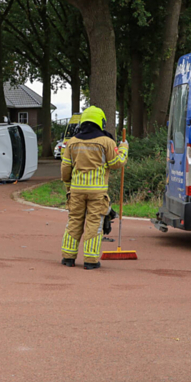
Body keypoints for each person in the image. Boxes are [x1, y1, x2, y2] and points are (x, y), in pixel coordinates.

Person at [59, 106, 128, 270]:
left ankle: (68, 257)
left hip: (76, 190)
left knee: (74, 221)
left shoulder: (72, 142)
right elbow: (116, 163)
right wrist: (124, 148)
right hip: (97, 192)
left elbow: (65, 168)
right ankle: (90, 260)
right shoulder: (107, 142)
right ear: (100, 122)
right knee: (94, 224)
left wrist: (68, 187)